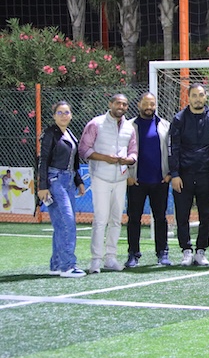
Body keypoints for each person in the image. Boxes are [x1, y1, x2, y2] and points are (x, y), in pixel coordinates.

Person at [78, 93, 137, 273]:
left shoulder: (129, 127)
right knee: (101, 219)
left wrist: (128, 160)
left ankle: (111, 258)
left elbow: (134, 151)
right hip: (100, 178)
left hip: (120, 179)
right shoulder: (96, 123)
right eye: (118, 103)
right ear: (110, 104)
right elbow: (84, 149)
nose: (121, 107)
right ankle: (96, 260)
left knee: (116, 220)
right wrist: (105, 158)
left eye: (124, 104)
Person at [169, 83, 209, 267]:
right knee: (182, 215)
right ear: (189, 97)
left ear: (206, 96)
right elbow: (173, 147)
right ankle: (186, 251)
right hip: (183, 175)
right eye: (194, 95)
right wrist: (174, 173)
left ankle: (201, 251)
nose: (198, 99)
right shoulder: (179, 119)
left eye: (201, 95)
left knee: (206, 215)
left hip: (205, 175)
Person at [38, 102, 86, 278]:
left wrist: (78, 181)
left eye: (66, 112)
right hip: (55, 180)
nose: (64, 115)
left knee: (61, 224)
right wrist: (42, 186)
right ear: (54, 116)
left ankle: (57, 264)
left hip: (68, 180)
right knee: (67, 221)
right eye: (60, 113)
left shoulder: (70, 134)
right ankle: (68, 266)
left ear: (71, 115)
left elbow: (73, 161)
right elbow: (43, 160)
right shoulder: (50, 133)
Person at [125, 92, 172, 268]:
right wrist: (127, 176)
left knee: (160, 218)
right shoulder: (129, 126)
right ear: (139, 105)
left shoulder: (165, 125)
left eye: (152, 104)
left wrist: (169, 173)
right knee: (134, 218)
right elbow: (121, 150)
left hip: (160, 181)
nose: (149, 107)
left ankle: (162, 253)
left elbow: (171, 150)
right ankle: (133, 254)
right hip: (136, 181)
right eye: (146, 104)